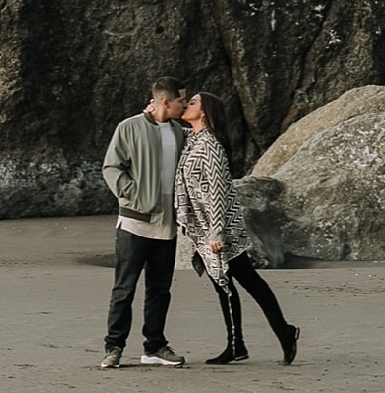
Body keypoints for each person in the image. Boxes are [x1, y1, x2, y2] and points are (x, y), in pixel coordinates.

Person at [173, 90, 300, 366]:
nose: (186, 105)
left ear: (204, 112)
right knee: (241, 281)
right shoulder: (193, 140)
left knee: (230, 283)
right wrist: (154, 112)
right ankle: (265, 337)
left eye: (192, 102)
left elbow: (218, 191)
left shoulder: (211, 145)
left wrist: (216, 233)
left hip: (219, 228)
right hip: (207, 227)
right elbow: (169, 126)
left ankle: (246, 342)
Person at [99, 77, 190, 369]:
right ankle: (113, 348)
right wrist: (132, 195)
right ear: (166, 101)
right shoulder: (129, 127)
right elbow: (112, 167)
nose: (185, 105)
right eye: (181, 101)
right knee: (124, 289)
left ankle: (155, 346)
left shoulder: (179, 132)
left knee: (160, 289)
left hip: (167, 225)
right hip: (134, 224)